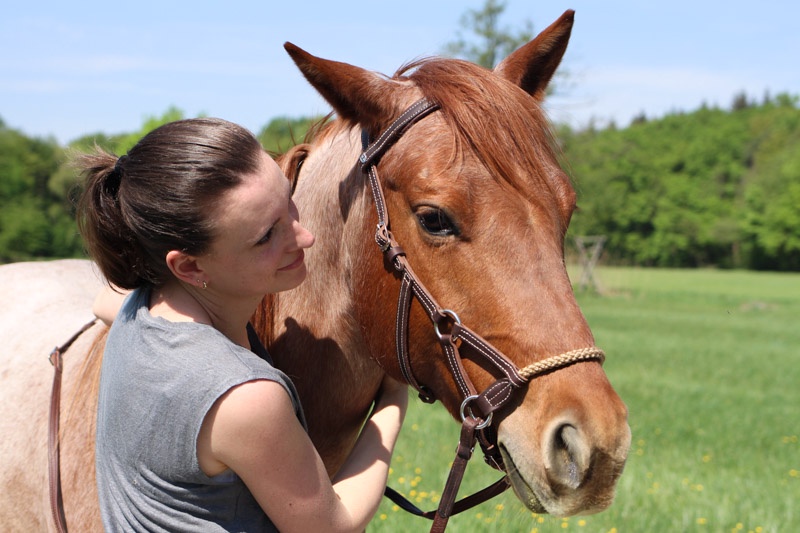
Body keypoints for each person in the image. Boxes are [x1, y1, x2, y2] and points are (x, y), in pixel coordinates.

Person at [76, 117, 408, 532]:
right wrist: (392, 401)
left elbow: (103, 299)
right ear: (190, 266)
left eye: (289, 201)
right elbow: (332, 527)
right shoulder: (244, 397)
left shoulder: (138, 310)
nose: (304, 237)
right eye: (266, 235)